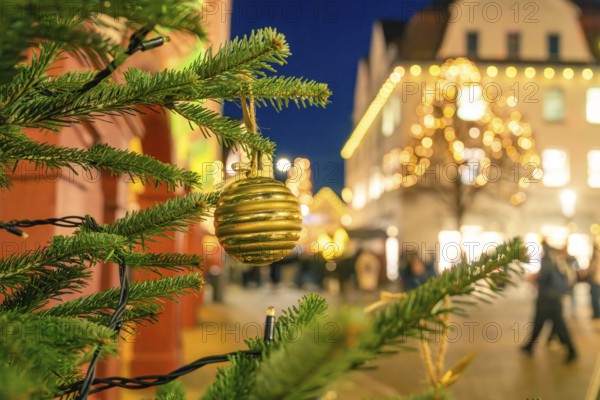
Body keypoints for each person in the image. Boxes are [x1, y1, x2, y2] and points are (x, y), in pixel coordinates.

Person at [521, 241, 577, 363]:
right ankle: (529, 346)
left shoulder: (547, 258)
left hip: (547, 298)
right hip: (553, 298)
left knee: (557, 326)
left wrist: (535, 277)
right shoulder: (555, 258)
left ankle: (572, 351)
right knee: (539, 323)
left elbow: (545, 275)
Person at [588, 244, 600, 319]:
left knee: (594, 297)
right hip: (598, 280)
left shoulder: (595, 257)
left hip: (595, 280)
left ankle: (597, 313)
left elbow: (592, 269)